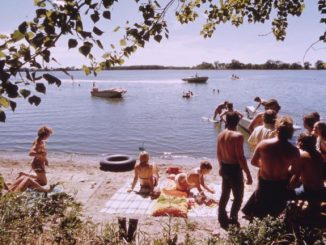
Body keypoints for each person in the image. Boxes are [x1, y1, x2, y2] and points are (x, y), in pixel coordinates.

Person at [242, 116, 300, 219]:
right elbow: (295, 171)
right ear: (291, 132)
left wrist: (265, 165)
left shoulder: (264, 144)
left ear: (276, 129)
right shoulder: (294, 151)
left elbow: (253, 162)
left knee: (260, 207)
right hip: (281, 183)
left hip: (265, 181)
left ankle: (256, 227)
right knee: (276, 209)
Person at [217, 112, 252, 228]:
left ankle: (221, 215)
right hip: (234, 169)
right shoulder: (238, 136)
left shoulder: (221, 134)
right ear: (238, 122)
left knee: (225, 193)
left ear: (226, 121)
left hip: (225, 167)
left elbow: (218, 153)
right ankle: (233, 217)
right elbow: (240, 157)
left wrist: (221, 167)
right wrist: (248, 173)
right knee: (238, 196)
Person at [9, 126, 55, 193]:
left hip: (38, 164)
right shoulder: (39, 142)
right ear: (45, 135)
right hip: (38, 165)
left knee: (40, 180)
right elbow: (31, 153)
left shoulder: (40, 141)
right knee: (43, 183)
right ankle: (26, 180)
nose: (49, 136)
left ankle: (23, 175)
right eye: (49, 134)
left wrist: (45, 160)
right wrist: (40, 155)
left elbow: (41, 153)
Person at [288, 133, 325, 212]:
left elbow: (295, 176)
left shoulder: (302, 156)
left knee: (286, 193)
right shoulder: (318, 154)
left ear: (300, 143)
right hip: (320, 189)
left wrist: (288, 188)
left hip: (310, 192)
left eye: (297, 141)